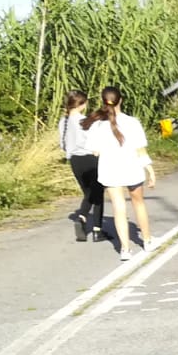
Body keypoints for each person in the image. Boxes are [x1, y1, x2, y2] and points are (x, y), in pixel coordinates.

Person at [83, 86, 156, 262]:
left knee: (118, 208)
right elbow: (140, 150)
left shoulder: (97, 125)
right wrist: (150, 171)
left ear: (103, 101)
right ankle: (147, 240)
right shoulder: (132, 122)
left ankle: (125, 249)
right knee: (138, 203)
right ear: (120, 100)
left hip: (110, 170)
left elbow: (94, 151)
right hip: (132, 168)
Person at [57, 90, 104, 242]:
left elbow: (63, 144)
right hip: (89, 158)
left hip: (75, 160)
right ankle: (96, 229)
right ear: (82, 104)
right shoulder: (86, 121)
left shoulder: (63, 122)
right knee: (97, 194)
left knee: (88, 193)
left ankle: (83, 219)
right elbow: (95, 143)